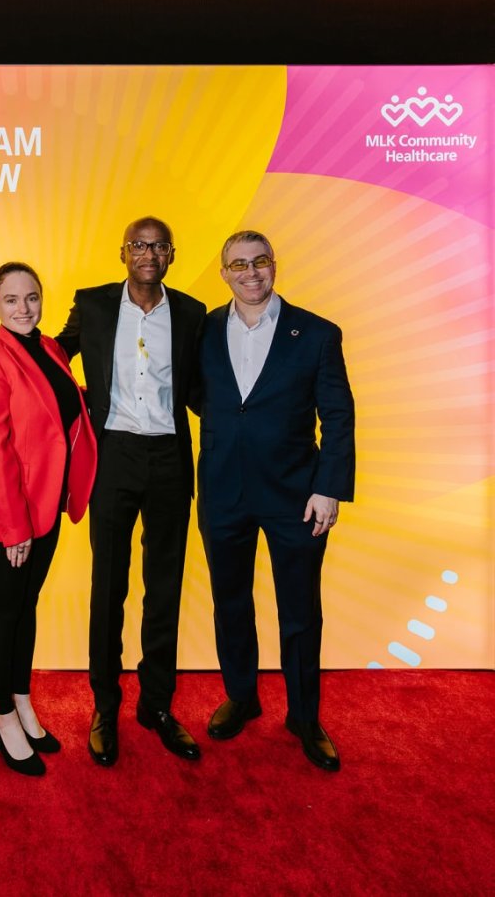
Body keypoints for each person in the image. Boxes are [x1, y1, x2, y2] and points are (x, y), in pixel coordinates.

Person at [197, 231, 355, 772]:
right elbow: (200, 398)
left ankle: (305, 717)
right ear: (224, 273)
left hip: (297, 496)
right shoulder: (203, 330)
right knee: (231, 602)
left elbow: (337, 416)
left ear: (274, 266)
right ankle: (242, 696)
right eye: (238, 264)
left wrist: (329, 486)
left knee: (300, 611)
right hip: (222, 493)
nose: (250, 272)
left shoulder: (315, 334)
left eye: (260, 261)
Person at [57, 216, 207, 766]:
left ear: (171, 255)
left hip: (169, 458)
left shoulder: (192, 314)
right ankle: (104, 705)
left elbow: (200, 389)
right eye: (138, 245)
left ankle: (158, 706)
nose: (148, 254)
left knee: (164, 586)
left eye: (158, 246)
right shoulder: (94, 305)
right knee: (108, 586)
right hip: (113, 456)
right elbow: (53, 359)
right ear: (124, 252)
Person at [0, 262, 97, 776]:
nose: (23, 308)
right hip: (3, 513)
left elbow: (63, 413)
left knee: (26, 606)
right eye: (12, 299)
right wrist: (14, 528)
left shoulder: (51, 349)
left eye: (32, 297)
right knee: (2, 611)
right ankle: (1, 717)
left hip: (47, 506)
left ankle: (20, 702)